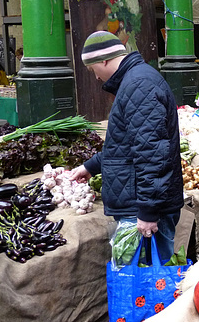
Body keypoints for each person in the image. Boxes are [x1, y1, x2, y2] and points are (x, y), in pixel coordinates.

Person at [70, 31, 183, 260]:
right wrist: (91, 167)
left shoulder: (138, 84)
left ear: (104, 60)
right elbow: (127, 144)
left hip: (142, 209)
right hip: (140, 202)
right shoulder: (135, 81)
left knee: (147, 285)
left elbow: (152, 152)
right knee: (142, 282)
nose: (96, 77)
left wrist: (148, 211)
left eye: (93, 69)